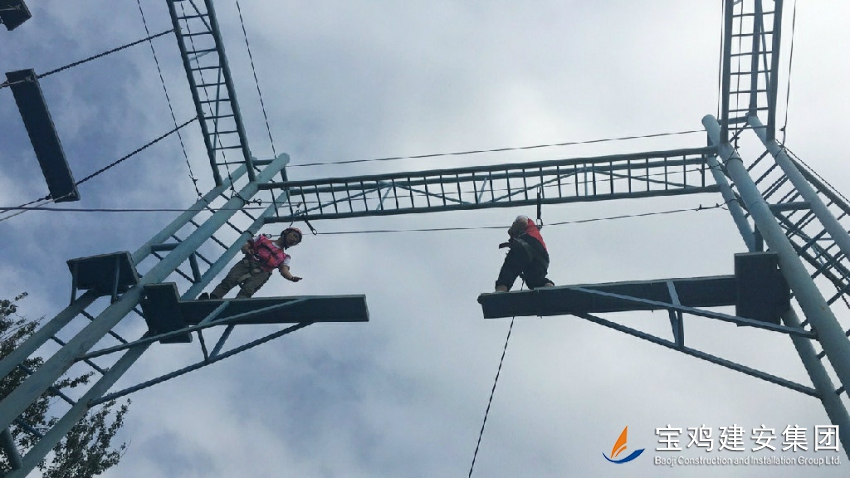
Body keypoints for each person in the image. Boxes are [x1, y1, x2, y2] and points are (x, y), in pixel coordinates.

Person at [199, 227, 303, 299]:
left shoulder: (285, 257)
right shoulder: (262, 239)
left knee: (247, 290)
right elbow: (246, 245)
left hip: (262, 273)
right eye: (294, 236)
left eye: (296, 241)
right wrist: (247, 250)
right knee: (229, 280)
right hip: (247, 263)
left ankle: (236, 307)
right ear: (286, 232)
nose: (294, 240)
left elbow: (284, 269)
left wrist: (291, 277)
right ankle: (214, 297)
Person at [494, 215, 554, 292]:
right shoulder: (535, 234)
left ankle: (500, 291)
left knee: (508, 270)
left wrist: (511, 230)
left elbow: (522, 221)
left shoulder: (524, 220)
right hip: (542, 256)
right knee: (535, 281)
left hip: (526, 244)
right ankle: (549, 289)